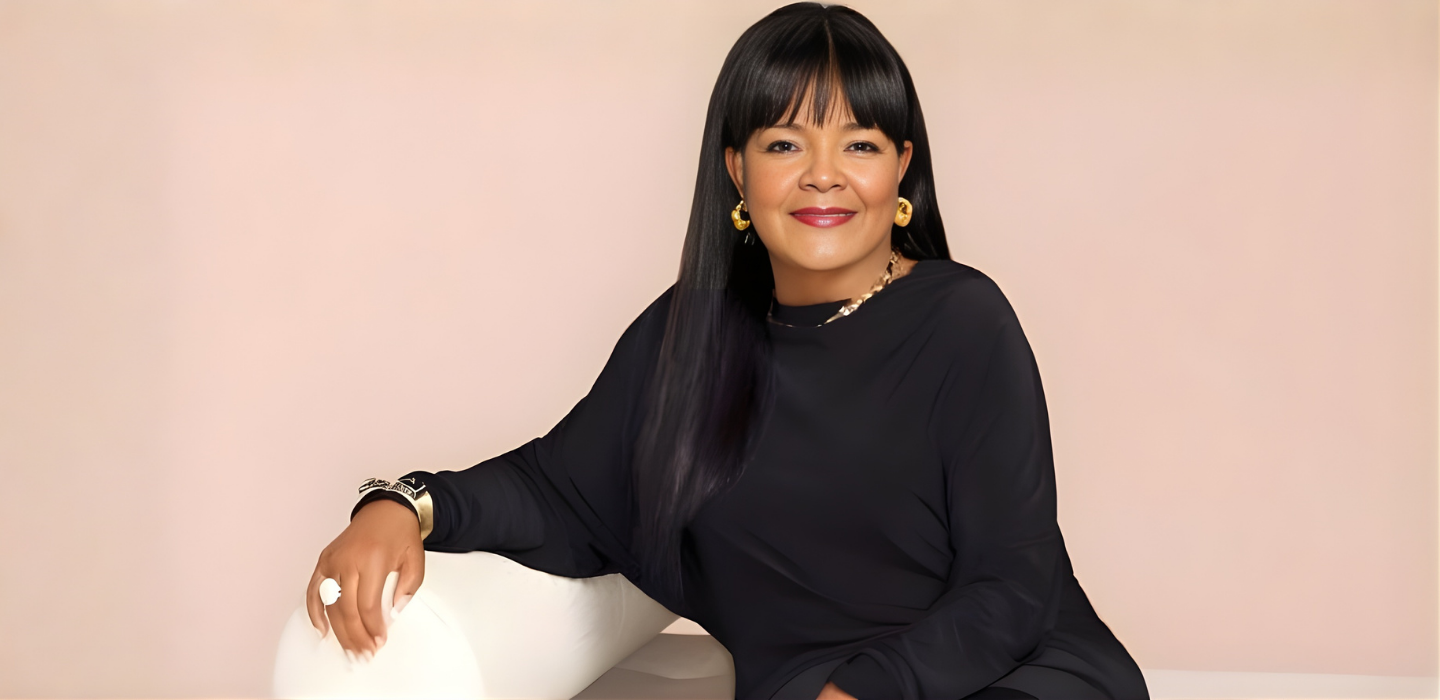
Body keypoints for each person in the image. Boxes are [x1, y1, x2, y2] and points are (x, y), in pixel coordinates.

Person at [304, 4, 1150, 699]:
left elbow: (1012, 583)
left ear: (901, 170)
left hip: (1017, 680)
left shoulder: (964, 320)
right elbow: (556, 491)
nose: (824, 174)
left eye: (859, 144)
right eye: (785, 144)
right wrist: (399, 505)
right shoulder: (689, 337)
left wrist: (864, 692)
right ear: (738, 172)